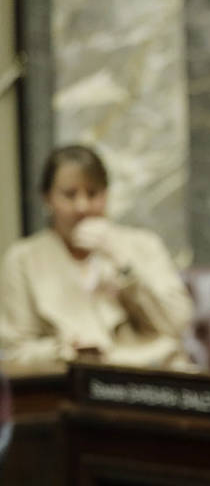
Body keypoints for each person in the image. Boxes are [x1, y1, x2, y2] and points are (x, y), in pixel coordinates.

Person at [0, 144, 192, 369]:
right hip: (70, 384)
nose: (82, 206)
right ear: (48, 198)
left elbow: (177, 323)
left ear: (106, 194)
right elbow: (14, 352)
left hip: (150, 374)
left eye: (93, 194)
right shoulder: (23, 259)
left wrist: (124, 263)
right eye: (69, 195)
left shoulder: (144, 245)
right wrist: (62, 351)